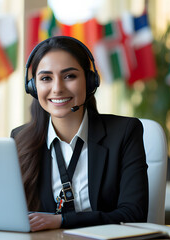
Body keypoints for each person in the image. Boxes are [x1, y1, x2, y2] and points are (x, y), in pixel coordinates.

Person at [11, 36, 148, 232]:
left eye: (69, 76)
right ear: (33, 87)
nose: (57, 88)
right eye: (45, 78)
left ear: (90, 81)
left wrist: (63, 221)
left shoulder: (125, 132)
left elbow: (134, 214)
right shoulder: (19, 139)